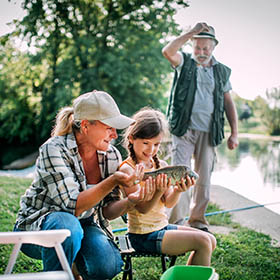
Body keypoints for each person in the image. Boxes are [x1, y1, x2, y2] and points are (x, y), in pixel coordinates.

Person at [14, 90, 151, 280]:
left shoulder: (111, 155)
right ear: (86, 126)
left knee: (106, 265)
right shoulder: (53, 149)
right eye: (109, 127)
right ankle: (57, 275)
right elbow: (73, 206)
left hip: (84, 224)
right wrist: (112, 181)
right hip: (38, 226)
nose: (114, 134)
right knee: (68, 227)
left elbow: (106, 211)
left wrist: (130, 201)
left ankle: (69, 267)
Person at [162, 22, 239, 231]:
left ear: (213, 47)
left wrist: (234, 132)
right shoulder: (184, 62)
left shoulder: (222, 72)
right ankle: (175, 222)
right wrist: (190, 33)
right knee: (180, 173)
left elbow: (228, 103)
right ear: (192, 45)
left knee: (203, 178)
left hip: (209, 131)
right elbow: (167, 51)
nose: (202, 52)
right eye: (198, 47)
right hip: (183, 129)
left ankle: (196, 222)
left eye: (206, 48)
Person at [119, 107, 216, 267]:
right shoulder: (128, 170)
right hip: (142, 236)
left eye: (156, 144)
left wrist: (178, 190)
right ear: (131, 138)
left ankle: (186, 277)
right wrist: (158, 190)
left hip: (162, 226)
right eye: (146, 143)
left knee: (210, 240)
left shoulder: (161, 165)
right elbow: (143, 209)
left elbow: (169, 203)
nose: (151, 150)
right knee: (203, 242)